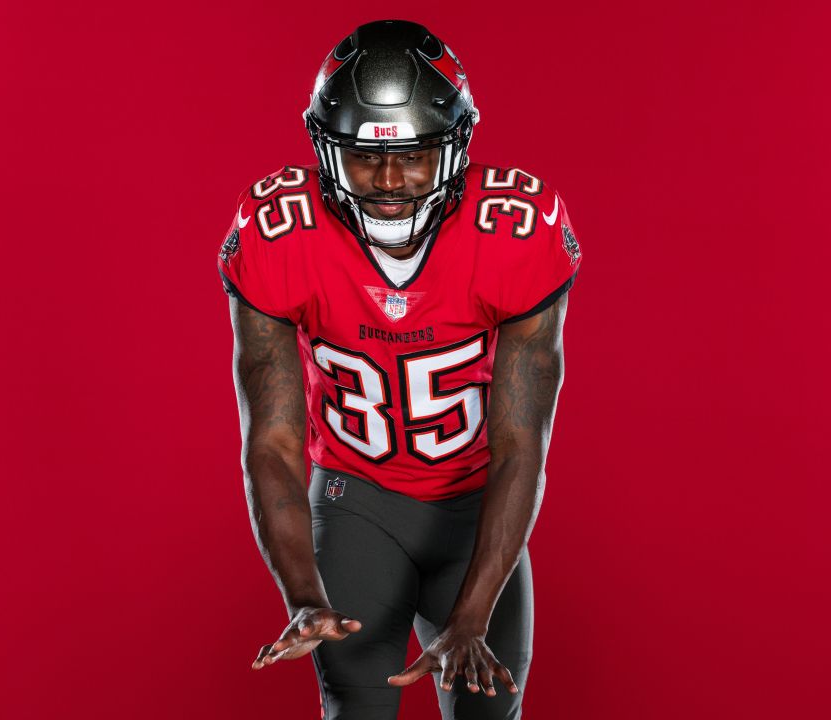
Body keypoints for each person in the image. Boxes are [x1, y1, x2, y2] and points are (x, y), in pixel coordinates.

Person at [218, 19, 581, 720]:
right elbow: (271, 441)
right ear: (327, 152)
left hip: (478, 505)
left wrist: (472, 613)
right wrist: (303, 595)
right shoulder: (278, 232)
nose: (389, 181)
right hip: (356, 503)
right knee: (355, 706)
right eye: (363, 157)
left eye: (415, 155)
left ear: (456, 146)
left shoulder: (514, 229)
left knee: (487, 706)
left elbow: (520, 445)